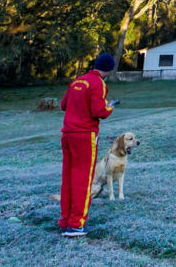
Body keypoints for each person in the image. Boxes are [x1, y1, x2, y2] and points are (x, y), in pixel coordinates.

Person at [58, 52, 116, 238]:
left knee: (68, 178)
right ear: (108, 70)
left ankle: (65, 220)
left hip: (67, 134)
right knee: (83, 179)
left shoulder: (77, 81)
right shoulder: (99, 83)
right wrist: (110, 107)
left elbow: (63, 104)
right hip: (85, 136)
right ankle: (76, 225)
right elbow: (99, 111)